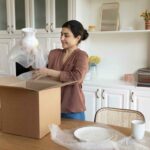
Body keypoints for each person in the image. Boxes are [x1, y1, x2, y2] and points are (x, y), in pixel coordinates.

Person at [33, 20, 89, 120]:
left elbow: (77, 77)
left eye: (66, 35)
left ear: (77, 38)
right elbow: (40, 69)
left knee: (73, 135)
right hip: (52, 106)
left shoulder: (81, 56)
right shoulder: (54, 53)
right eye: (61, 35)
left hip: (72, 108)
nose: (62, 38)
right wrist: (32, 53)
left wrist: (48, 72)